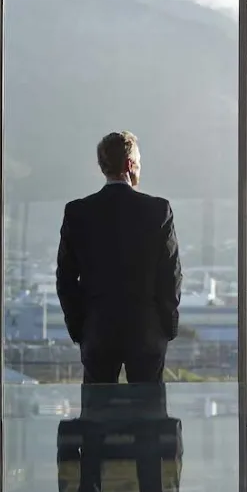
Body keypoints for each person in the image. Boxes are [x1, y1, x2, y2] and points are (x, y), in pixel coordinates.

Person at [55, 131, 183, 384]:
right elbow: (171, 275)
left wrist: (80, 328)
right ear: (129, 164)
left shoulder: (78, 212)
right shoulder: (157, 211)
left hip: (97, 330)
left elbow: (66, 278)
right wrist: (166, 328)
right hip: (147, 330)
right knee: (148, 414)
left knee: (96, 415)